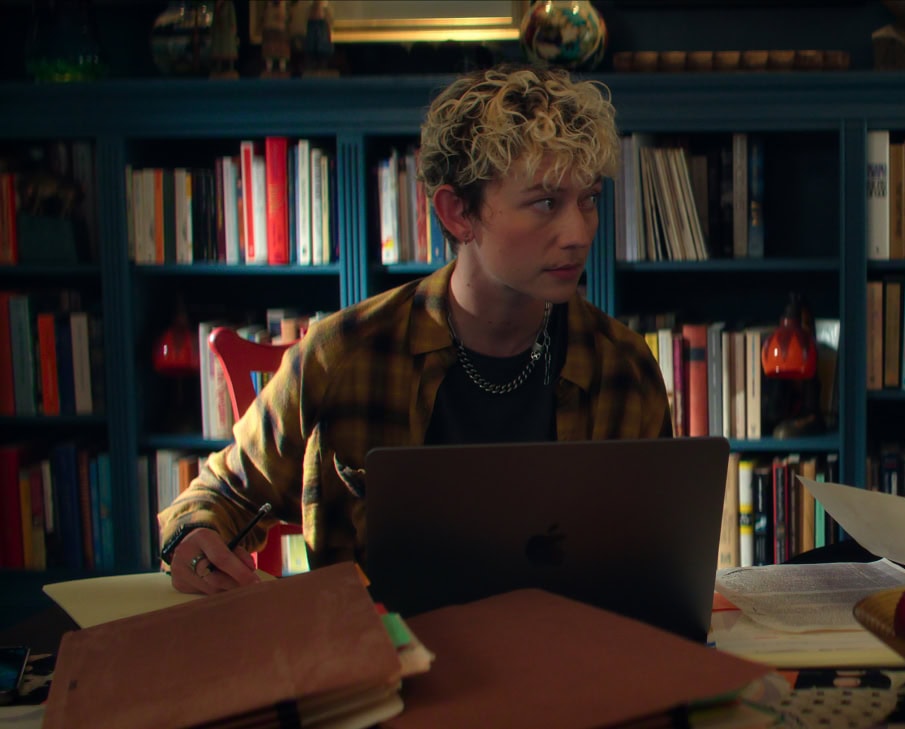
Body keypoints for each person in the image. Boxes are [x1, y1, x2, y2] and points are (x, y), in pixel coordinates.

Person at [160, 65, 672, 595]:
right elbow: (218, 494)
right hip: (386, 643)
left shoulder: (624, 367)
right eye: (546, 203)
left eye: (588, 200)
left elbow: (658, 553)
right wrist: (194, 537)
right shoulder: (343, 356)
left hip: (565, 644)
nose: (579, 233)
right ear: (457, 213)